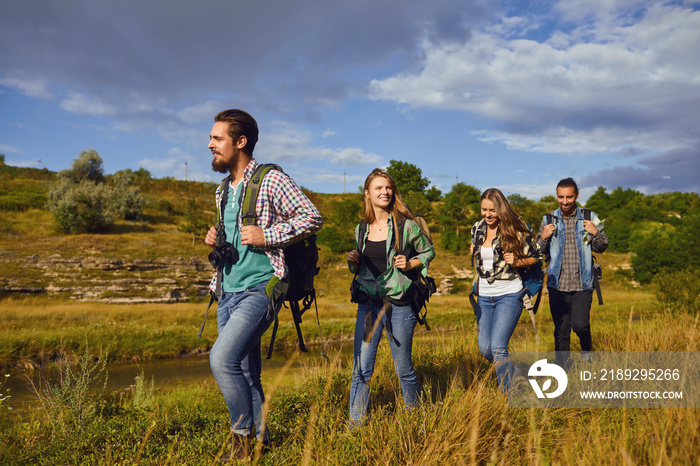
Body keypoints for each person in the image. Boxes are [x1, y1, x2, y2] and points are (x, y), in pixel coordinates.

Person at [204, 109, 322, 459]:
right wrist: (215, 237)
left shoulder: (271, 179)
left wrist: (266, 234)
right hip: (226, 290)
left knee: (222, 360)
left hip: (261, 289)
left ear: (240, 142)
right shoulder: (222, 190)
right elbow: (235, 238)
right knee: (244, 369)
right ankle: (261, 439)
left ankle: (240, 439)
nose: (209, 144)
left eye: (217, 138)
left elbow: (312, 217)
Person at [346, 168, 435, 426]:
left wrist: (410, 264)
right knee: (361, 368)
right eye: (378, 188)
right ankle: (355, 426)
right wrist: (354, 262)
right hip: (368, 307)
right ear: (367, 194)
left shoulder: (406, 226)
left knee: (403, 368)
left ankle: (413, 419)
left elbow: (428, 253)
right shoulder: (361, 229)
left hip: (400, 306)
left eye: (388, 188)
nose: (385, 192)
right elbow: (360, 269)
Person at [470, 188, 541, 391]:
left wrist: (518, 261)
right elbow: (481, 257)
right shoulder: (477, 228)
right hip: (484, 295)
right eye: (484, 210)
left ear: (501, 209)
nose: (488, 215)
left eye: (492, 210)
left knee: (498, 347)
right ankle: (513, 372)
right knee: (485, 348)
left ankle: (508, 394)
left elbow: (537, 257)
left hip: (510, 294)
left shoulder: (516, 228)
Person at [536, 177, 608, 368]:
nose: (565, 201)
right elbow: (537, 251)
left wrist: (595, 233)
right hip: (556, 285)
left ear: (576, 196)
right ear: (557, 196)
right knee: (561, 330)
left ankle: (586, 352)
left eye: (569, 197)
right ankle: (563, 369)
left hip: (582, 284)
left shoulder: (590, 217)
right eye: (561, 197)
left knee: (580, 325)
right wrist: (543, 237)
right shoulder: (548, 219)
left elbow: (602, 247)